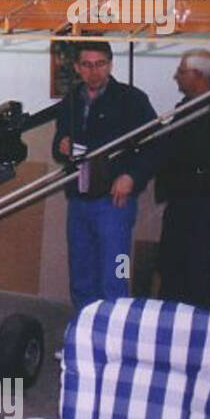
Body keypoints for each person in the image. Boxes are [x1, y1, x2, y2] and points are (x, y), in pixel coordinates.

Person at [53, 42, 157, 310]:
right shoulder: (70, 101)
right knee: (80, 274)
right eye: (87, 65)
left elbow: (154, 146)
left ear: (110, 64)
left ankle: (115, 331)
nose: (94, 71)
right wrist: (61, 146)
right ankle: (85, 330)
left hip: (114, 202)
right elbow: (58, 144)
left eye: (100, 64)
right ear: (77, 67)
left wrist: (131, 176)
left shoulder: (132, 99)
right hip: (79, 199)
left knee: (116, 273)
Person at [155, 49, 210, 309]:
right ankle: (170, 324)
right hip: (184, 202)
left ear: (198, 75)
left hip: (199, 206)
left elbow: (199, 160)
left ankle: (193, 328)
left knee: (193, 272)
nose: (175, 76)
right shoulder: (189, 108)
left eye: (181, 71)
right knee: (172, 268)